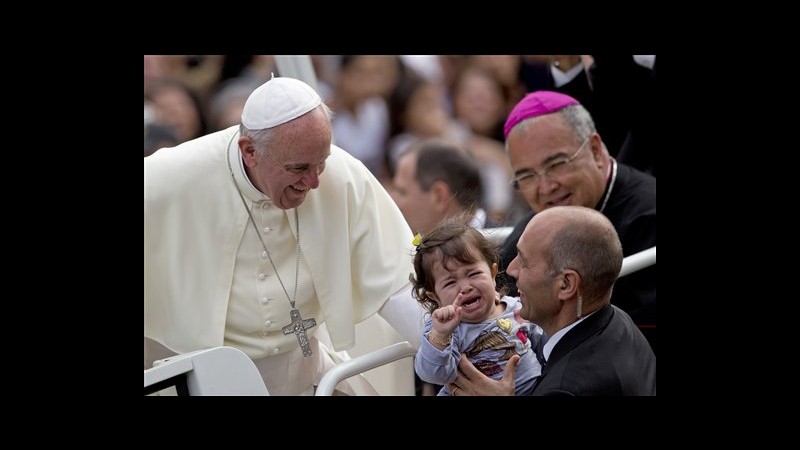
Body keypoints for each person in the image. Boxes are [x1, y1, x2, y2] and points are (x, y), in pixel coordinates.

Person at [144, 75, 426, 395]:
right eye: (298, 168)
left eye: (321, 163)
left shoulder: (341, 176)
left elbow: (397, 284)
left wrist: (448, 348)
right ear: (249, 151)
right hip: (206, 385)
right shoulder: (169, 178)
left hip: (305, 379)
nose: (315, 182)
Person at [497, 90, 656, 353]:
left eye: (556, 165)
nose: (545, 187)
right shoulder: (526, 237)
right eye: (527, 176)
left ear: (595, 150)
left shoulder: (649, 220)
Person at [450, 206, 656, 396]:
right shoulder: (619, 321)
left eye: (524, 261)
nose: (511, 270)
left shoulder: (564, 389)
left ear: (566, 284)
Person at [411, 219, 543, 396]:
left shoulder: (517, 307)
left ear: (493, 273)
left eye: (473, 274)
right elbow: (432, 374)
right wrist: (441, 335)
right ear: (434, 296)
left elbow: (546, 348)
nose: (465, 287)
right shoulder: (445, 329)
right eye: (450, 282)